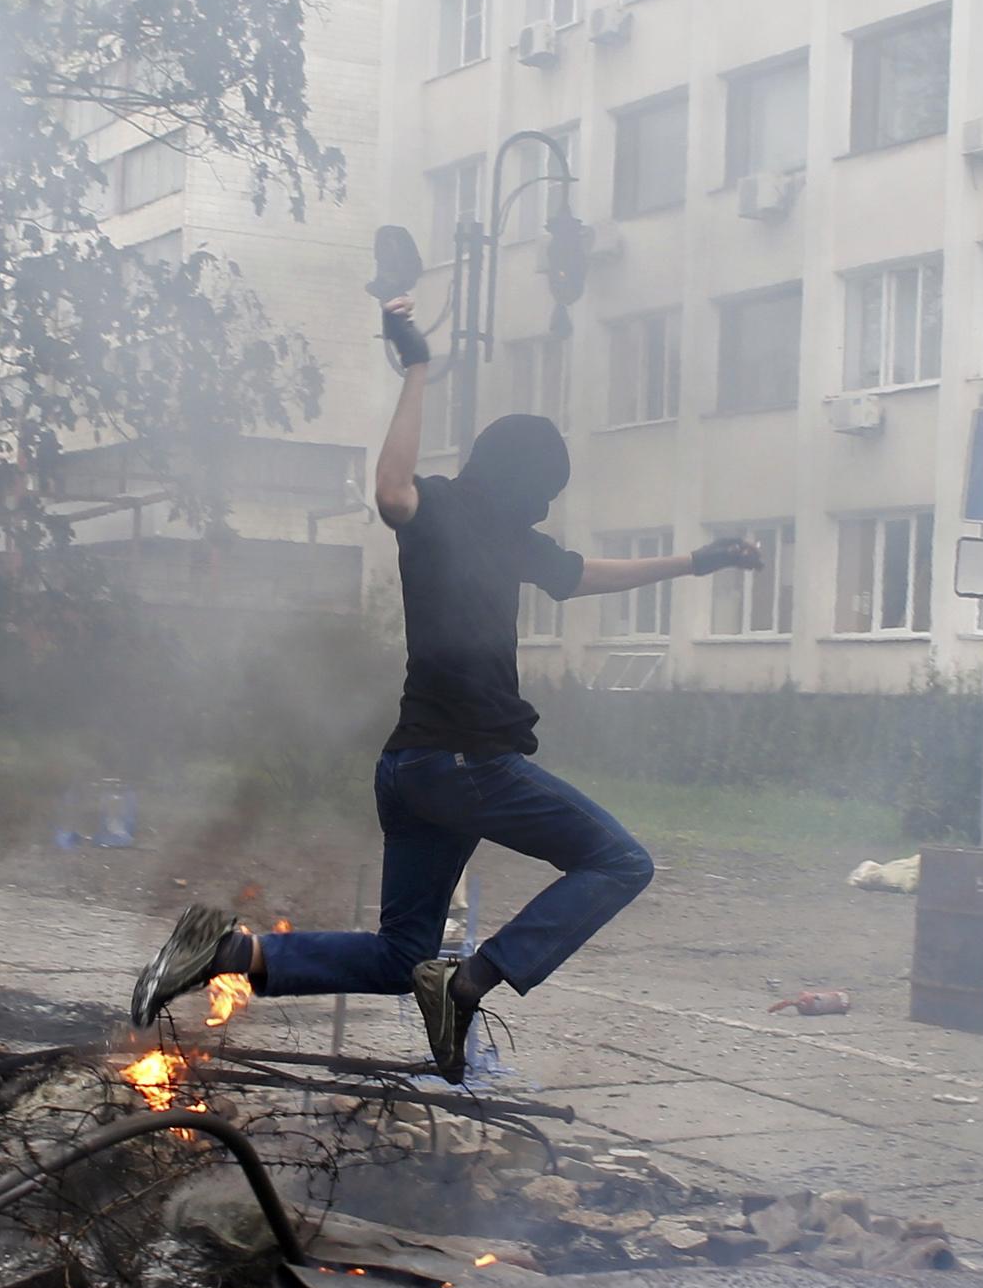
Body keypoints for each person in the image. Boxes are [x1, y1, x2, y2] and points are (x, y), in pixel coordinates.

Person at [132, 298, 761, 1080]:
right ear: (521, 478)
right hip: (470, 764)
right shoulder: (442, 510)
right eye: (546, 489)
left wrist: (696, 563)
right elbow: (391, 490)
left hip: (415, 769)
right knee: (620, 863)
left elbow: (587, 576)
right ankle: (468, 984)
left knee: (402, 955)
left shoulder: (511, 539)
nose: (547, 505)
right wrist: (419, 368)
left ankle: (224, 950)